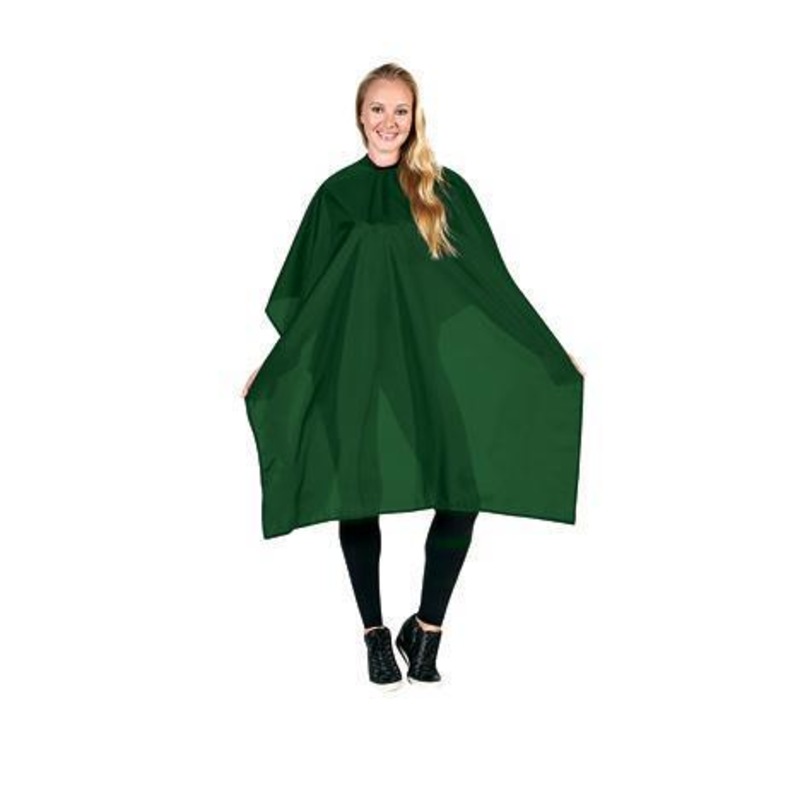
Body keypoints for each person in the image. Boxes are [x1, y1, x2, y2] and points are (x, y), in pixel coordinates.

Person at [242, 63, 585, 691]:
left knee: (462, 486)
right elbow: (310, 295)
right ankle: (375, 634)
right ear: (359, 115)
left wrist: (547, 351)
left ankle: (426, 630)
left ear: (415, 116)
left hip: (426, 364)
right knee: (356, 492)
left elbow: (491, 286)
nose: (388, 122)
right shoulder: (336, 196)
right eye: (378, 109)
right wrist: (274, 363)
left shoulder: (442, 190)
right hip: (355, 367)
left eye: (400, 110)